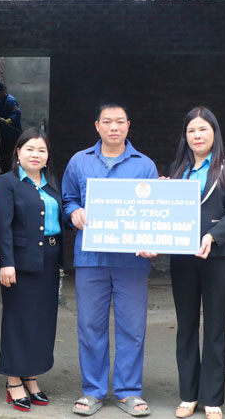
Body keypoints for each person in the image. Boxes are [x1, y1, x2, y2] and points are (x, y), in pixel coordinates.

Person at [62, 102, 158, 417]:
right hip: (91, 257)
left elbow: (155, 211)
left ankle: (128, 392)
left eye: (119, 122)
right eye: (107, 122)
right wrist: (73, 212)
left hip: (132, 260)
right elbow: (68, 199)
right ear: (97, 125)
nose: (113, 127)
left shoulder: (144, 165)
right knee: (91, 326)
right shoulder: (79, 161)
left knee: (132, 327)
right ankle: (93, 391)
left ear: (128, 125)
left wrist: (152, 239)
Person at [168, 107, 225, 419]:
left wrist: (213, 236)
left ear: (214, 133)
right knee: (186, 327)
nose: (197, 135)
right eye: (191, 131)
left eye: (203, 130)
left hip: (218, 259)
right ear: (185, 137)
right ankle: (188, 395)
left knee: (214, 329)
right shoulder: (177, 169)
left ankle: (212, 398)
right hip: (183, 259)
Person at [0, 128, 64, 412]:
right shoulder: (6, 182)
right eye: (30, 149)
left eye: (41, 150)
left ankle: (31, 377)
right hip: (19, 263)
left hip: (49, 259)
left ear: (47, 157)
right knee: (18, 320)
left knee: (42, 321)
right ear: (18, 153)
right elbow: (3, 227)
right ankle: (14, 381)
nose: (36, 155)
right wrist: (6, 262)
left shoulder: (52, 184)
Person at [0, 82, 22, 174]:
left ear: (3, 91)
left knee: (11, 156)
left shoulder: (11, 101)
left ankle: (12, 173)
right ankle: (4, 173)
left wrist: (8, 121)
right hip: (4, 135)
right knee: (2, 156)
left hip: (13, 134)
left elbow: (17, 114)